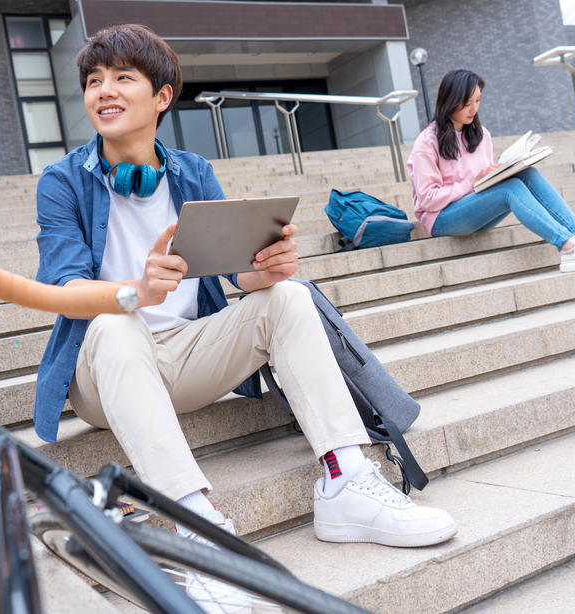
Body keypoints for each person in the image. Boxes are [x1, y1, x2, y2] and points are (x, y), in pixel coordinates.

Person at [33, 24, 457, 579]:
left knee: (287, 296)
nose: (103, 91)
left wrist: (267, 269)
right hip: (103, 370)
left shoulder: (193, 172)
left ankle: (346, 479)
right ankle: (193, 522)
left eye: (122, 78)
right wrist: (134, 292)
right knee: (115, 325)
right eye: (93, 81)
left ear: (161, 97)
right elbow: (64, 292)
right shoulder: (61, 181)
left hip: (188, 354)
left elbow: (237, 274)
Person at [407, 69, 575, 272]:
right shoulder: (427, 142)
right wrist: (472, 184)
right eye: (467, 103)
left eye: (478, 101)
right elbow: (427, 199)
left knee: (527, 173)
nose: (474, 109)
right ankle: (569, 246)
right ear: (450, 101)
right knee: (510, 189)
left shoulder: (480, 134)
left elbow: (483, 181)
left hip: (474, 210)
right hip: (442, 220)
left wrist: (501, 172)